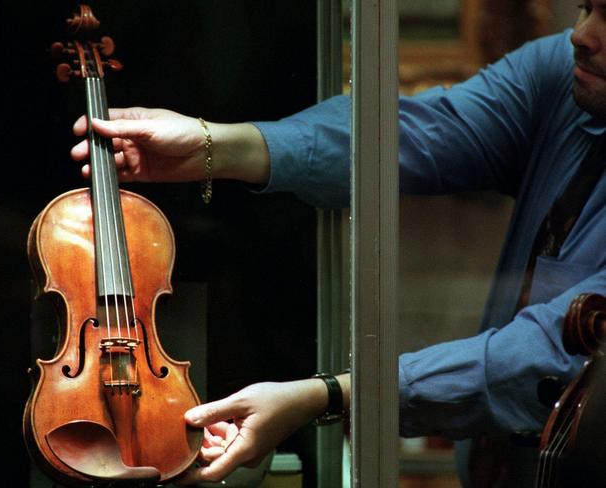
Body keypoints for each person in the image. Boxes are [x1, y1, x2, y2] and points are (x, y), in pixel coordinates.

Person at [71, 4, 606, 486]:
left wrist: (325, 395)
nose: (581, 34)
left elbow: (550, 352)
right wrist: (215, 146)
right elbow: (409, 135)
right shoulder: (561, 72)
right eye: (585, 6)